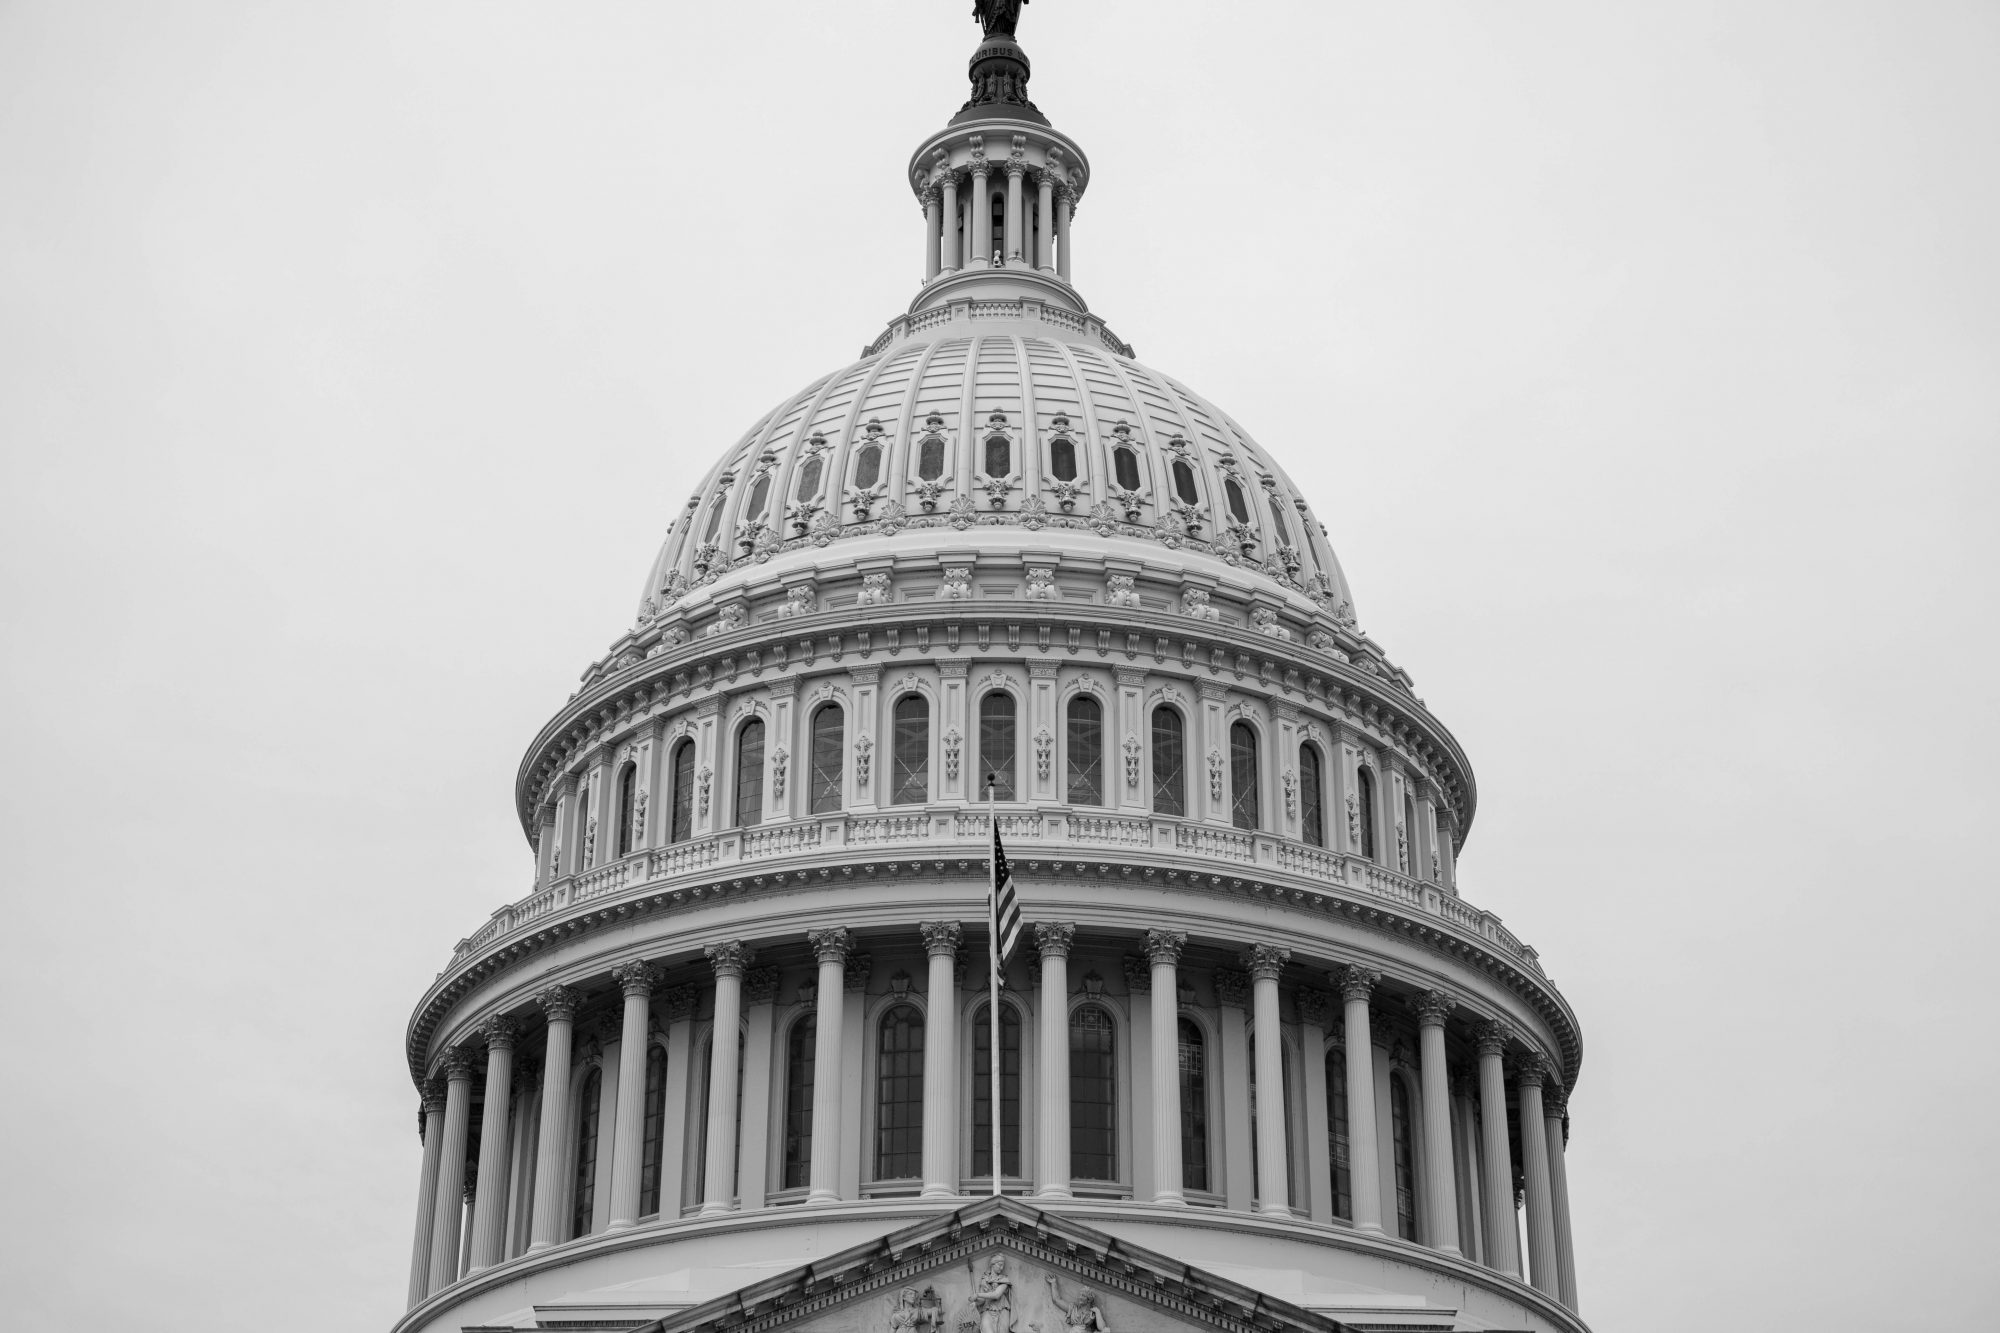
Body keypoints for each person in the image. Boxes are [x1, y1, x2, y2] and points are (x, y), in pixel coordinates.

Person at [1045, 1276, 1111, 1333]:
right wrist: (1054, 1283)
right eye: (1080, 1295)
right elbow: (1057, 1300)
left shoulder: (1092, 1313)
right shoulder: (1074, 1309)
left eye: (1083, 1295)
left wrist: (1097, 1311)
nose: (1079, 1297)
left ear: (1089, 1299)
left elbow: (1103, 1328)